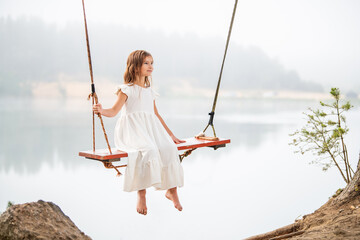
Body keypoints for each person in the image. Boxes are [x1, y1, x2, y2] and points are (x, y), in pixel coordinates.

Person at [93, 50, 185, 215]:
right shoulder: (127, 89)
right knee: (147, 150)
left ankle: (172, 191)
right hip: (132, 130)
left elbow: (155, 114)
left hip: (150, 129)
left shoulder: (150, 91)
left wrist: (170, 135)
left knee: (168, 148)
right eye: (146, 63)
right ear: (135, 67)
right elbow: (114, 111)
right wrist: (101, 110)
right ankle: (141, 194)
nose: (151, 66)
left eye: (152, 63)